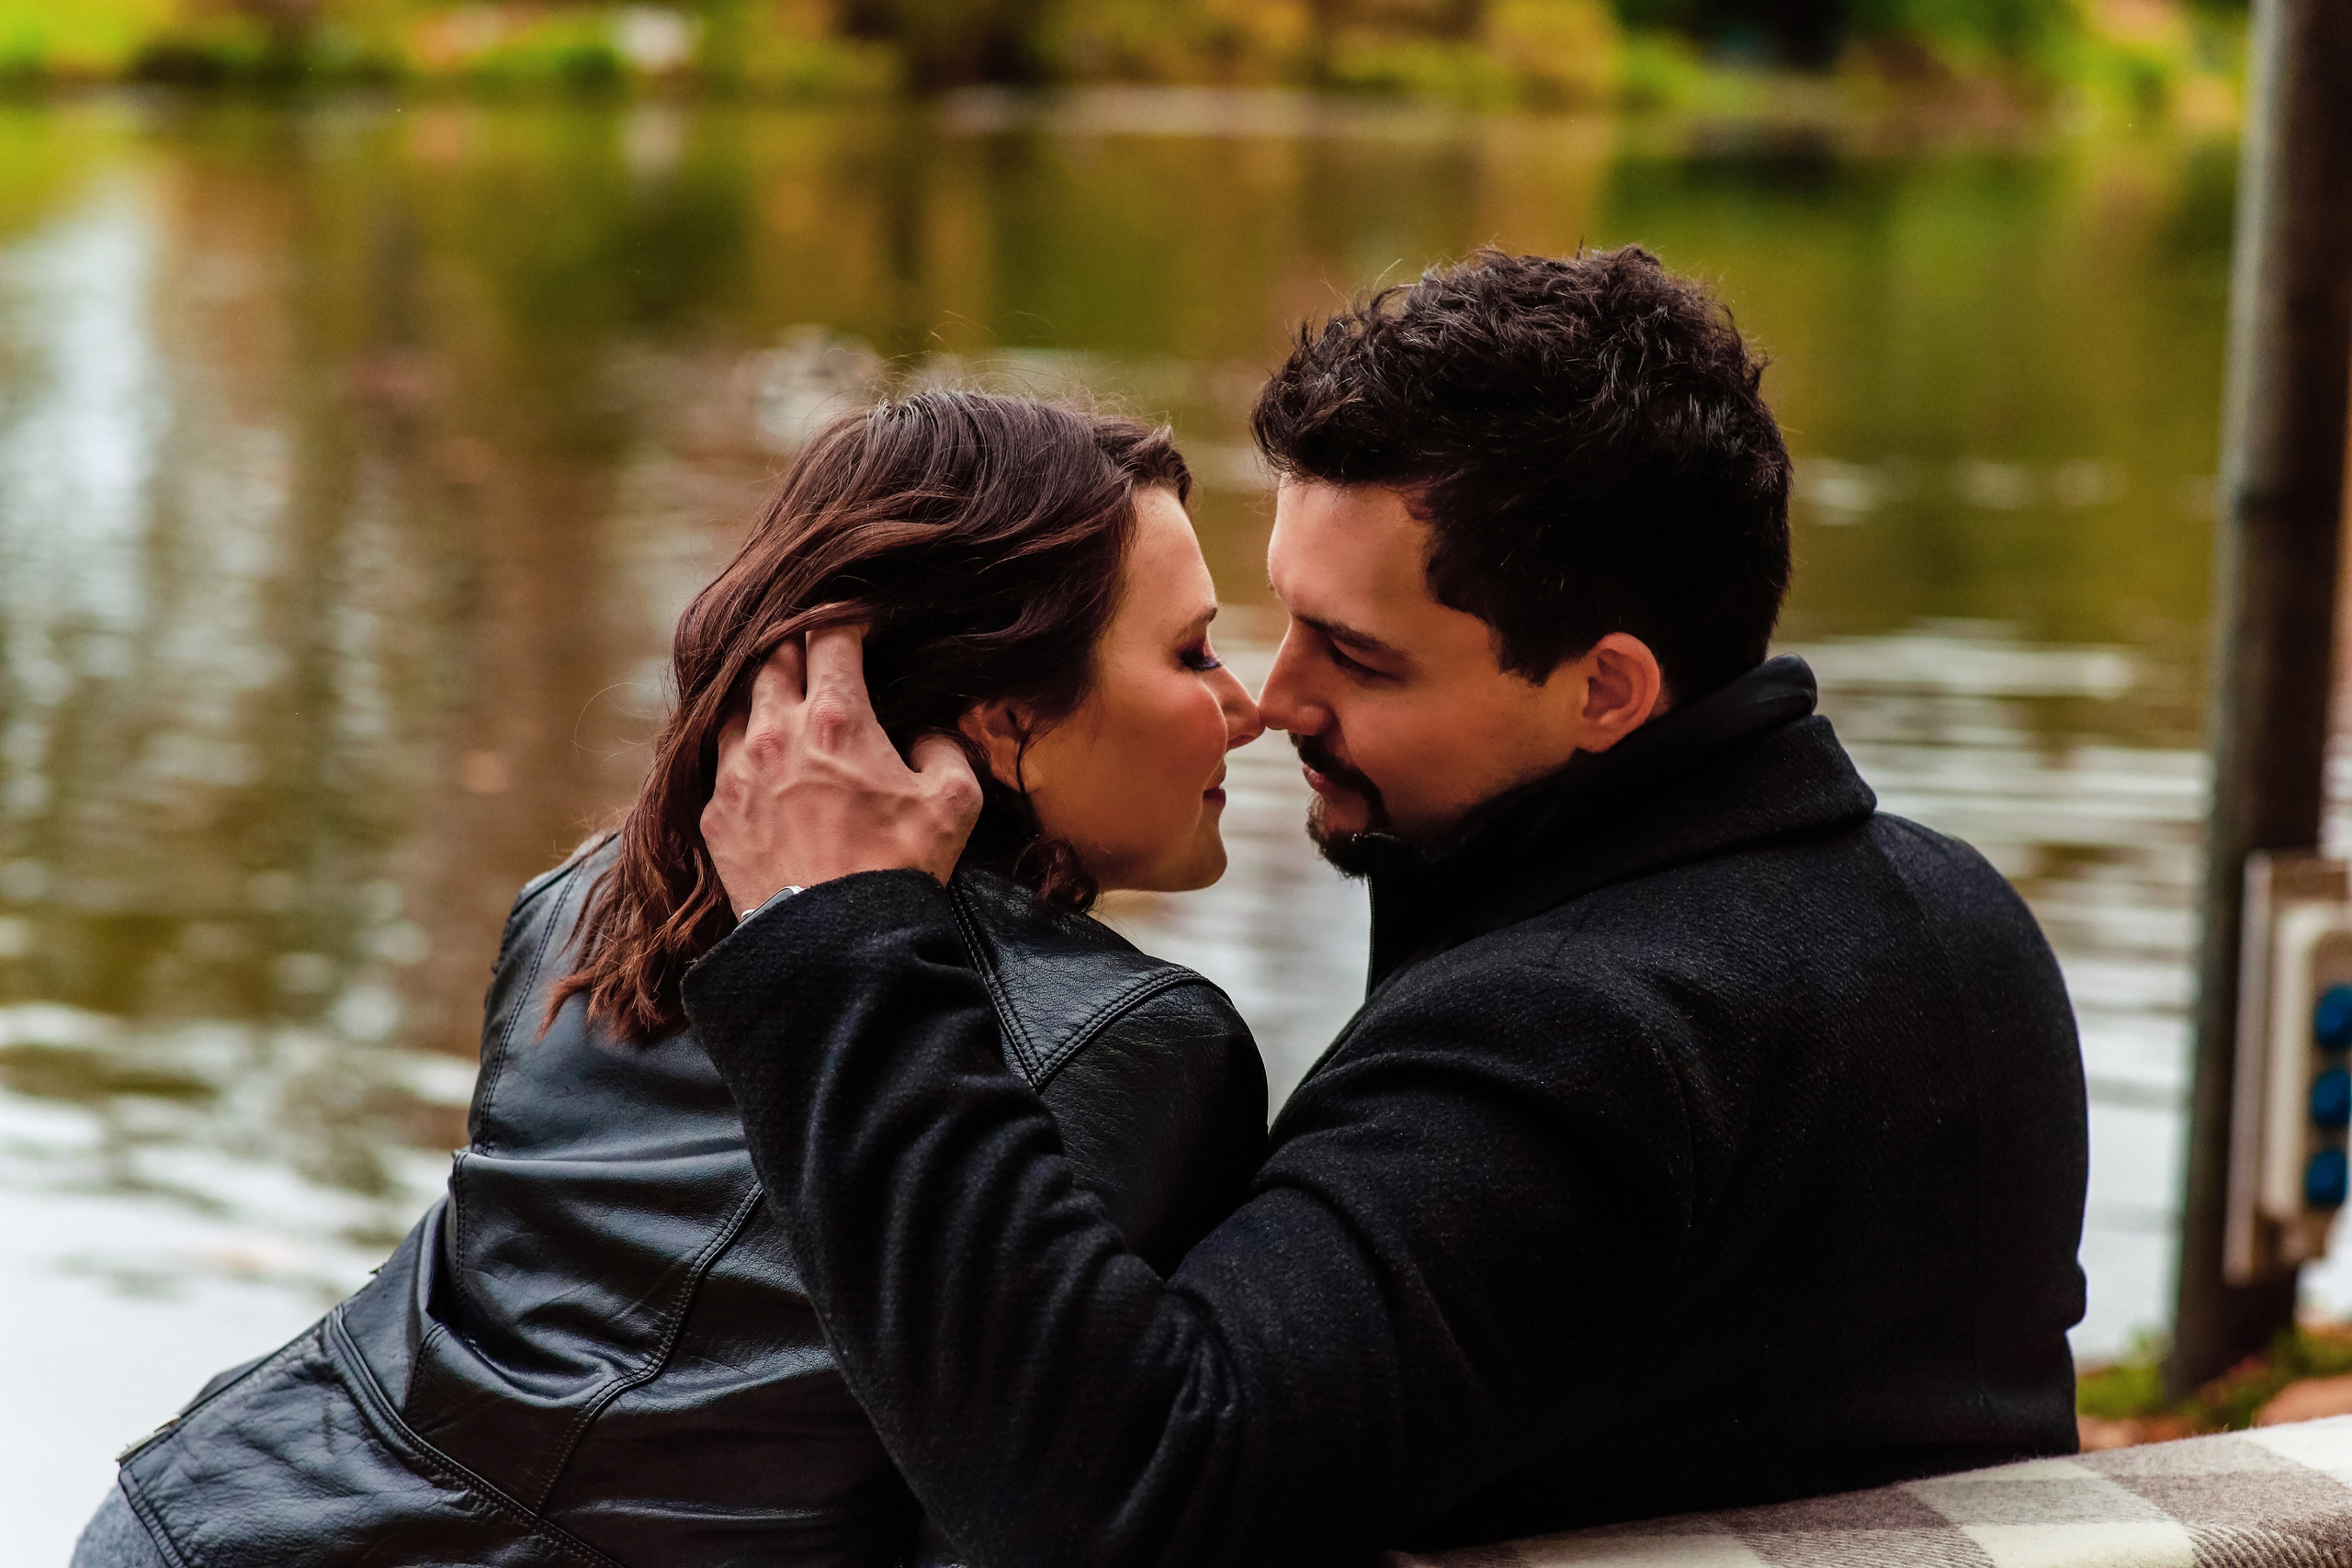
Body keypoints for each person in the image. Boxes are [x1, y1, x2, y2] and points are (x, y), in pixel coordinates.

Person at [681, 246, 2092, 1567]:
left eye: (1359, 655)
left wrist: (844, 934)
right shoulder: (1954, 910)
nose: (1276, 697)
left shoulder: (1575, 1038)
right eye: (1280, 617)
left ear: (1605, 688)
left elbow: (1120, 1491)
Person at [79, 393, 1271, 1568]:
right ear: (1007, 719)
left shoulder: (597, 892)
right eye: (1191, 652)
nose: (1247, 706)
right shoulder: (1134, 1042)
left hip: (202, 1516)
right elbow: (1028, 1508)